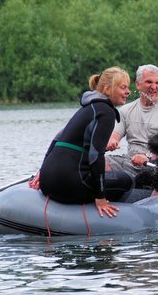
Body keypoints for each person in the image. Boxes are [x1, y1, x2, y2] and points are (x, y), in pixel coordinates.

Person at [34, 67, 133, 218]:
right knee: (127, 180)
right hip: (69, 185)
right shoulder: (106, 112)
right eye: (123, 87)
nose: (128, 92)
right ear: (107, 89)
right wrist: (100, 197)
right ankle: (109, 212)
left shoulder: (86, 108)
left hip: (47, 183)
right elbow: (95, 155)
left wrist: (42, 172)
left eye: (128, 87)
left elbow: (56, 140)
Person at [106, 64, 158, 175]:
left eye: (157, 83)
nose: (154, 87)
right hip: (130, 161)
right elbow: (114, 136)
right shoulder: (125, 110)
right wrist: (111, 142)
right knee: (101, 163)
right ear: (138, 84)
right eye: (149, 82)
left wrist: (146, 156)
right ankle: (103, 191)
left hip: (157, 165)